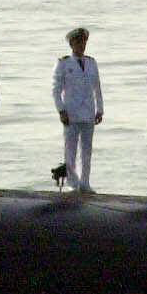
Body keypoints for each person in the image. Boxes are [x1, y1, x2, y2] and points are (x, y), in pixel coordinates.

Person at [52, 26, 103, 191]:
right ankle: (73, 183)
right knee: (71, 151)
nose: (82, 45)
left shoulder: (91, 63)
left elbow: (97, 88)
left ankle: (85, 183)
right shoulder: (64, 63)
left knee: (87, 151)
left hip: (88, 112)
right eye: (78, 42)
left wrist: (100, 109)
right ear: (72, 44)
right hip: (71, 114)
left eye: (84, 41)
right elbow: (56, 90)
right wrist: (61, 110)